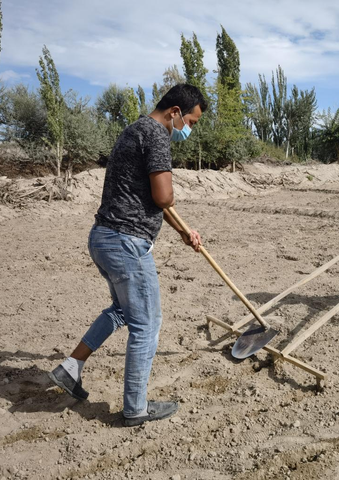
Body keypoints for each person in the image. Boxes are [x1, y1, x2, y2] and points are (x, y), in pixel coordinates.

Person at [49, 84, 207, 427]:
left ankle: (70, 367)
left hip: (104, 238)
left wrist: (183, 232)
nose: (189, 130)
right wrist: (177, 217)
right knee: (147, 325)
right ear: (175, 112)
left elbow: (145, 195)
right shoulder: (157, 134)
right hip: (126, 244)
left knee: (122, 311)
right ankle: (136, 408)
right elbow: (163, 197)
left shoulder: (134, 129)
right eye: (191, 121)